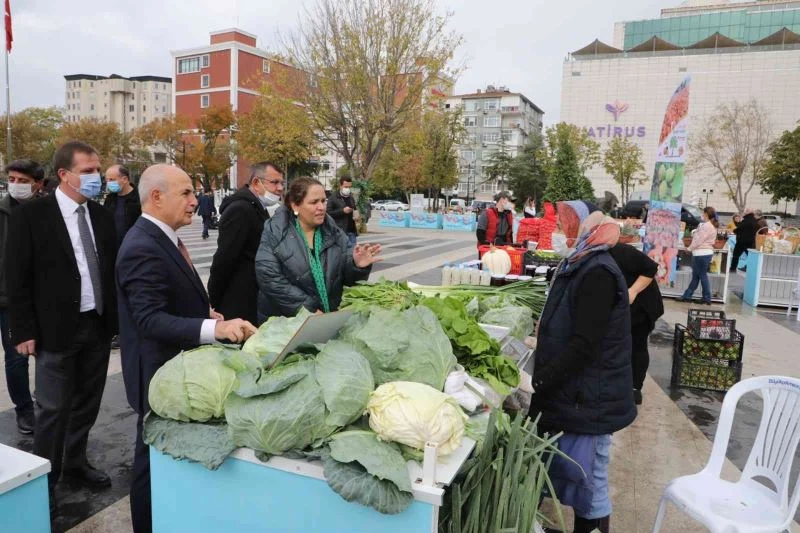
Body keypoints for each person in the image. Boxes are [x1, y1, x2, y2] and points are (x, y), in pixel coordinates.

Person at [116, 164, 257, 533]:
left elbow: (167, 300)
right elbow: (148, 319)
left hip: (176, 367)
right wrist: (215, 328)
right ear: (157, 196)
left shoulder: (162, 238)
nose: (196, 202)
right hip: (157, 372)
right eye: (187, 194)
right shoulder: (142, 246)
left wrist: (202, 312)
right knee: (149, 461)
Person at [8, 141, 119, 507]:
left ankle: (75, 461)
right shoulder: (33, 216)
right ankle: (46, 477)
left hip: (96, 323)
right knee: (53, 408)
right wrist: (22, 331)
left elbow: (109, 268)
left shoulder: (101, 216)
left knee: (87, 402)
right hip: (54, 329)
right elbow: (17, 277)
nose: (96, 177)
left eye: (97, 169)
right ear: (64, 175)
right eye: (87, 171)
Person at [529, 200, 635, 533]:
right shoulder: (579, 262)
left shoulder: (598, 272)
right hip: (577, 393)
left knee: (590, 483)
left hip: (590, 398)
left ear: (583, 228)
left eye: (565, 225)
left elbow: (585, 343)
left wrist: (538, 381)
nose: (559, 232)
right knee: (573, 474)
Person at [255, 177, 382, 321]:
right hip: (285, 324)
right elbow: (269, 278)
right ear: (296, 205)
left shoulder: (335, 232)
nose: (321, 207)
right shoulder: (275, 230)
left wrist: (357, 265)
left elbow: (346, 279)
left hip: (325, 319)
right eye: (314, 202)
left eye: (323, 201)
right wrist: (308, 309)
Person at [0, 159, 45, 434]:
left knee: (46, 354)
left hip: (40, 297)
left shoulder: (45, 212)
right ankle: (24, 410)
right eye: (12, 179)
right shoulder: (2, 211)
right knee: (16, 357)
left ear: (37, 184)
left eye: (23, 181)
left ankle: (46, 402)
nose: (15, 185)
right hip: (7, 300)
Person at [208, 162, 280, 325]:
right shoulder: (241, 209)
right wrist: (214, 298)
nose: (280, 188)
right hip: (238, 298)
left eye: (281, 183)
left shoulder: (256, 207)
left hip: (252, 294)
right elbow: (224, 259)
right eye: (274, 182)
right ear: (256, 183)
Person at [609, 242, 664, 405]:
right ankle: (620, 382)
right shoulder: (594, 253)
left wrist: (632, 291)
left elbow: (651, 268)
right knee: (623, 344)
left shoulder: (621, 250)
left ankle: (635, 388)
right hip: (625, 307)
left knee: (637, 345)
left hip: (643, 305)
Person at [680, 206, 719, 304]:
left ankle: (706, 298)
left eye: (703, 213)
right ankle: (687, 295)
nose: (701, 215)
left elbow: (698, 240)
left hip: (701, 253)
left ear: (706, 214)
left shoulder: (706, 226)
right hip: (704, 253)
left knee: (701, 276)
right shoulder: (709, 225)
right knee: (697, 276)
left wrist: (689, 248)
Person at [103, 164, 141, 246]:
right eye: (107, 180)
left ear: (125, 179)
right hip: (112, 249)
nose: (108, 183)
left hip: (134, 248)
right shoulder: (110, 199)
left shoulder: (140, 199)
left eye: (111, 179)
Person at [327, 177, 360, 246]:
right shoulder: (333, 198)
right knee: (343, 254)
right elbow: (328, 213)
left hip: (352, 232)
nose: (348, 189)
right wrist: (342, 211)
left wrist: (356, 215)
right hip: (340, 232)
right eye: (346, 187)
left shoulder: (351, 197)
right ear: (340, 186)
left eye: (349, 187)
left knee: (353, 254)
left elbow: (354, 209)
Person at [731, 208, 758, 273]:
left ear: (747, 213)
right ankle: (750, 268)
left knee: (736, 255)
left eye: (745, 212)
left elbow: (739, 228)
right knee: (751, 255)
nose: (744, 213)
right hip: (751, 241)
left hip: (742, 241)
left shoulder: (746, 220)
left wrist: (735, 230)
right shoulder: (754, 220)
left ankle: (733, 268)